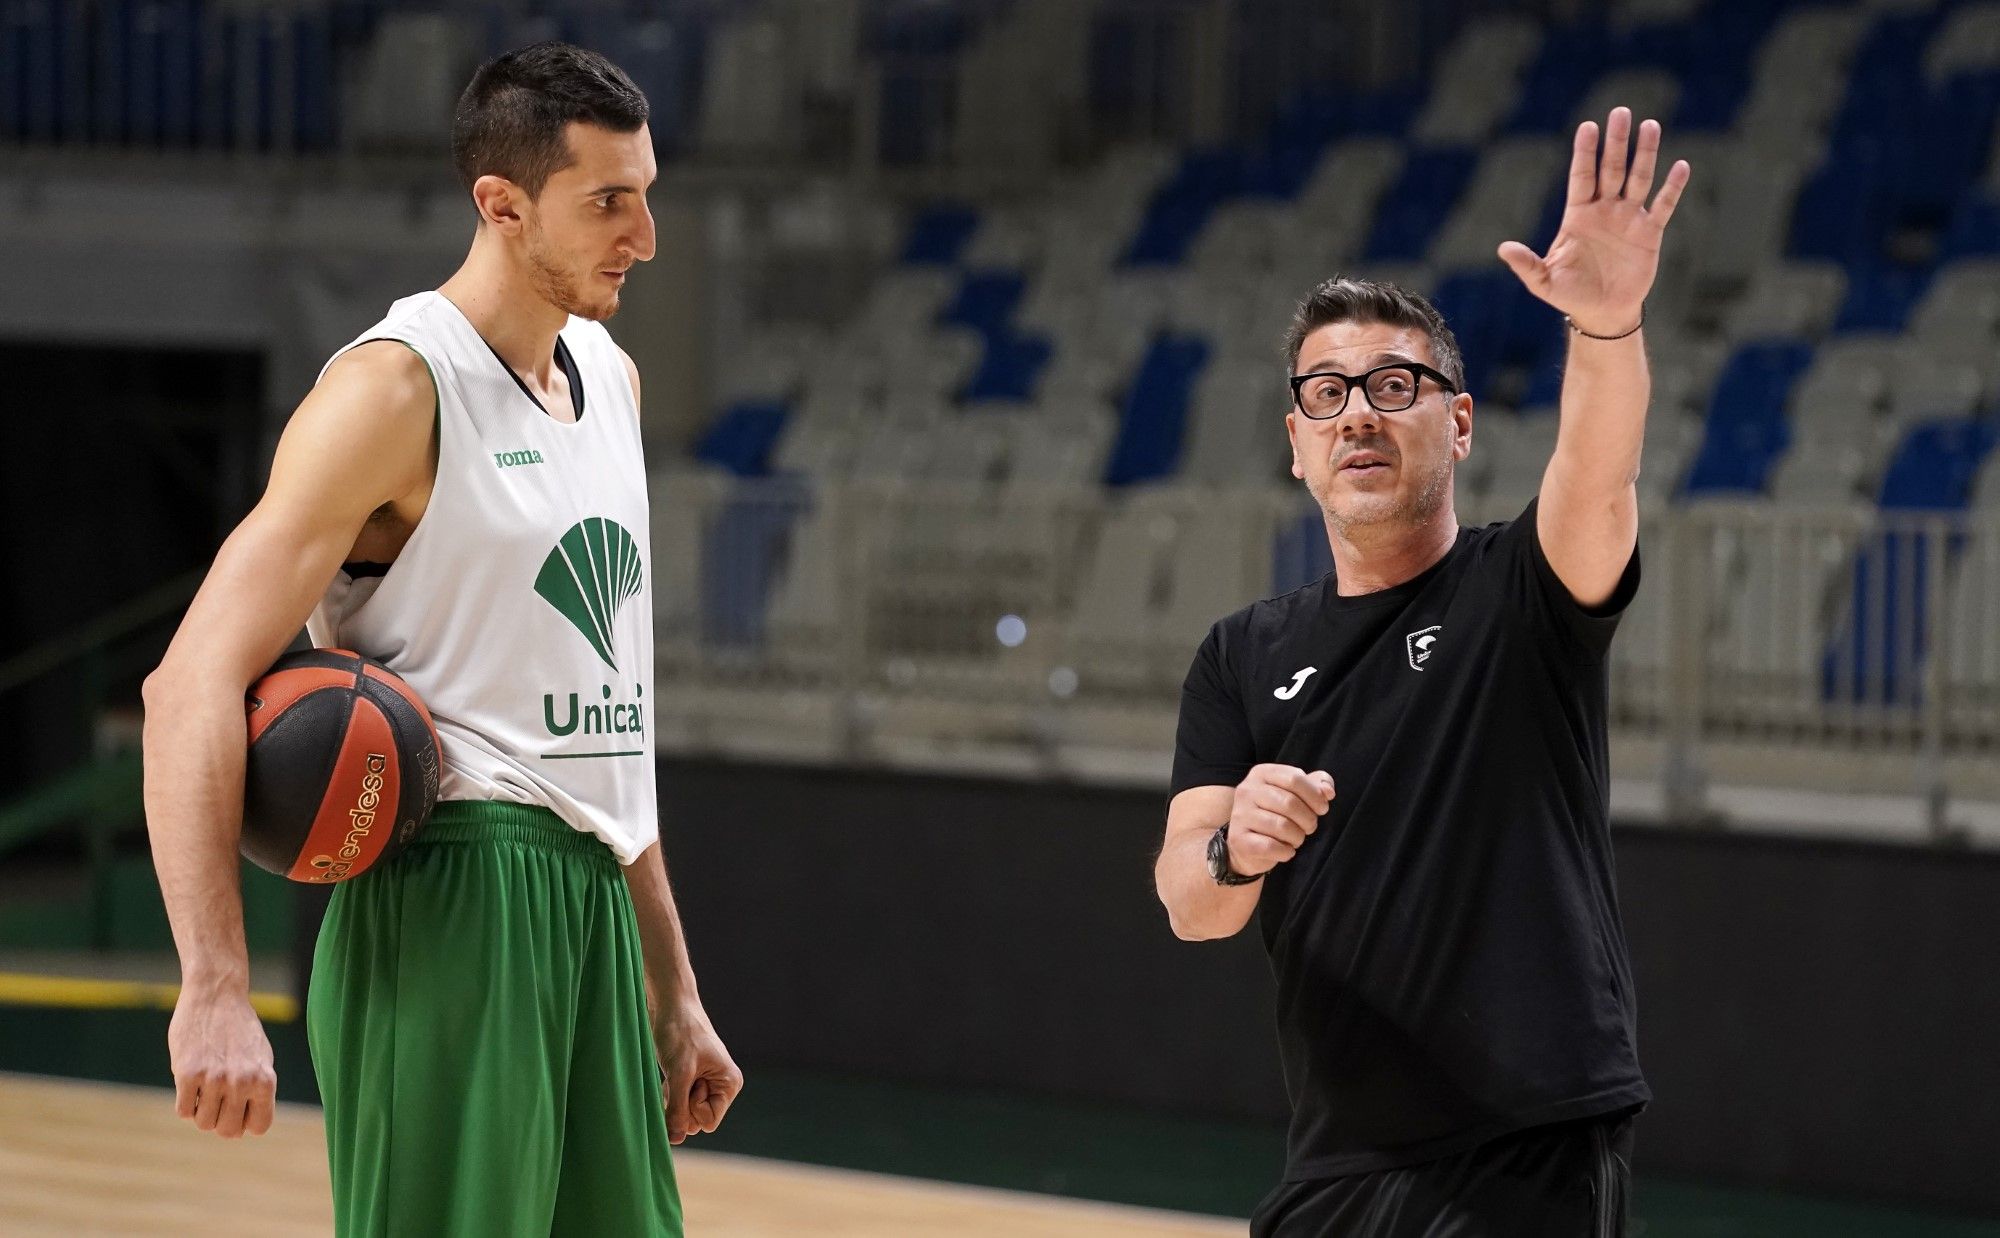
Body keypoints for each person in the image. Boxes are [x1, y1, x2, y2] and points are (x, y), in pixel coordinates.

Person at [140, 42, 738, 1236]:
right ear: (501, 205)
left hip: (588, 904)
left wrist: (671, 982)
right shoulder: (393, 391)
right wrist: (213, 981)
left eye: (648, 192)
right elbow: (188, 679)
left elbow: (608, 732)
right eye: (608, 201)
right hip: (446, 884)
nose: (646, 235)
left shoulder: (608, 380)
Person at [1153, 108, 1690, 1236]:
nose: (1356, 413)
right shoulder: (1239, 653)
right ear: (1294, 444)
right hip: (1335, 1163)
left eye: (1393, 387)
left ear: (1457, 424)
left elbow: (1595, 475)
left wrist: (1605, 328)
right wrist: (1232, 842)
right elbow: (1188, 903)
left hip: (1523, 1148)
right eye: (1326, 393)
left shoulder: (1520, 590)